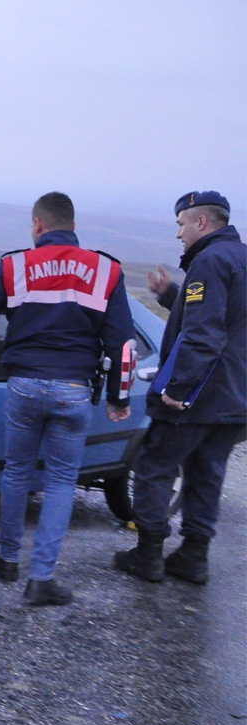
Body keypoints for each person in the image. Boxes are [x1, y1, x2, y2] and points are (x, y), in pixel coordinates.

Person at [0, 192, 135, 606]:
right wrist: (119, 397)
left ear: (37, 225)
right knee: (63, 481)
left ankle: (8, 559)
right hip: (73, 390)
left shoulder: (17, 265)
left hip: (24, 386)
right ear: (72, 224)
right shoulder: (107, 270)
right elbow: (123, 345)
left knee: (16, 472)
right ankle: (41, 579)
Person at [114, 191, 246, 584]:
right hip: (236, 397)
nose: (179, 234)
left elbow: (204, 335)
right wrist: (172, 295)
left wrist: (179, 389)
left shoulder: (210, 261)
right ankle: (193, 556)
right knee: (208, 471)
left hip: (200, 394)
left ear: (201, 222)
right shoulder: (239, 259)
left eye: (181, 224)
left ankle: (149, 554)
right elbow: (230, 320)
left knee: (154, 466)